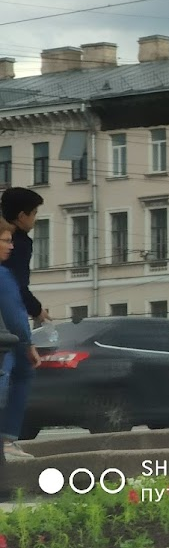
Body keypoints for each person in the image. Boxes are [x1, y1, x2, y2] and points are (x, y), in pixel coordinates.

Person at [0, 219, 41, 459]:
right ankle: (7, 439)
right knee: (23, 372)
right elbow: (15, 315)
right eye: (6, 240)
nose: (11, 246)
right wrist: (28, 344)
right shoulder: (3, 276)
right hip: (4, 345)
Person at [0, 188, 49, 327]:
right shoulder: (20, 243)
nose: (35, 219)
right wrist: (36, 309)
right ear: (22, 216)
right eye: (34, 213)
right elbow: (18, 285)